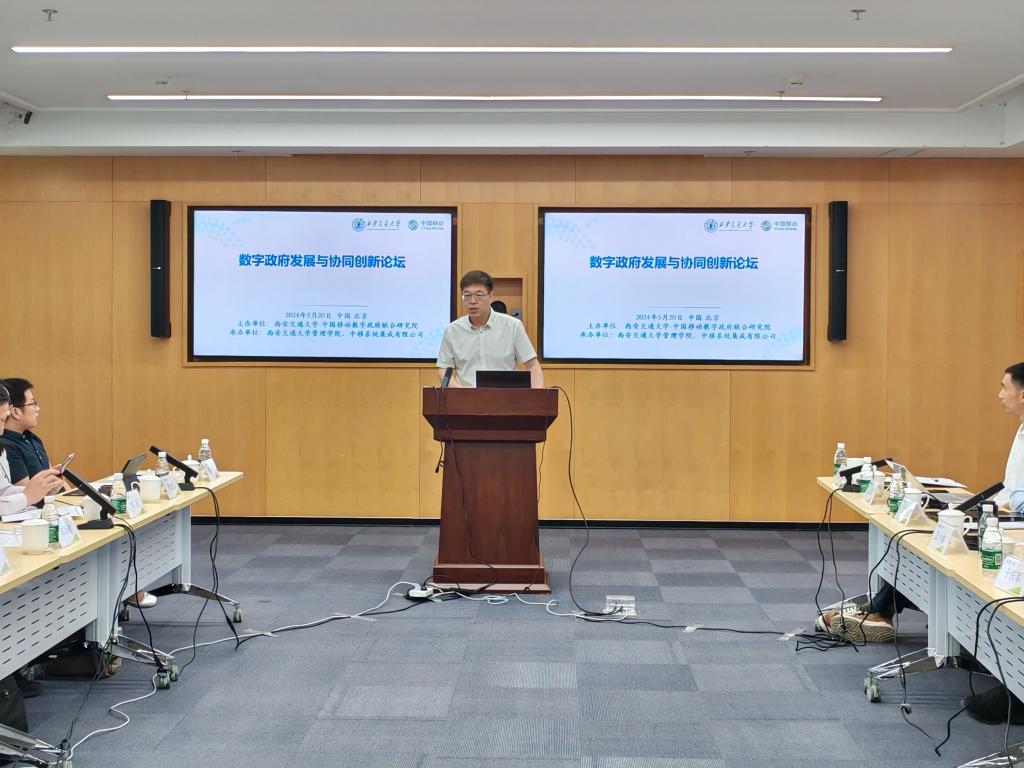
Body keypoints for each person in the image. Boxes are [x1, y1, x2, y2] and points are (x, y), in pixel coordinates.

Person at [820, 362, 1024, 642]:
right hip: (1003, 517)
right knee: (926, 541)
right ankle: (881, 608)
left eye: (1004, 387)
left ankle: (881, 610)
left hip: (1012, 527)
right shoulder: (1021, 429)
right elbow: (1012, 488)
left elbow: (1018, 496)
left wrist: (1005, 504)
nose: (1000, 394)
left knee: (943, 548)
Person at [436, 270, 544, 388]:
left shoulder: (513, 326)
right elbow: (444, 368)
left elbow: (532, 365)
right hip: (466, 397)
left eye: (479, 295)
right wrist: (461, 392)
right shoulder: (452, 330)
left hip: (506, 397)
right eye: (467, 295)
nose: (472, 301)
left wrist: (538, 395)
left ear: (491, 296)